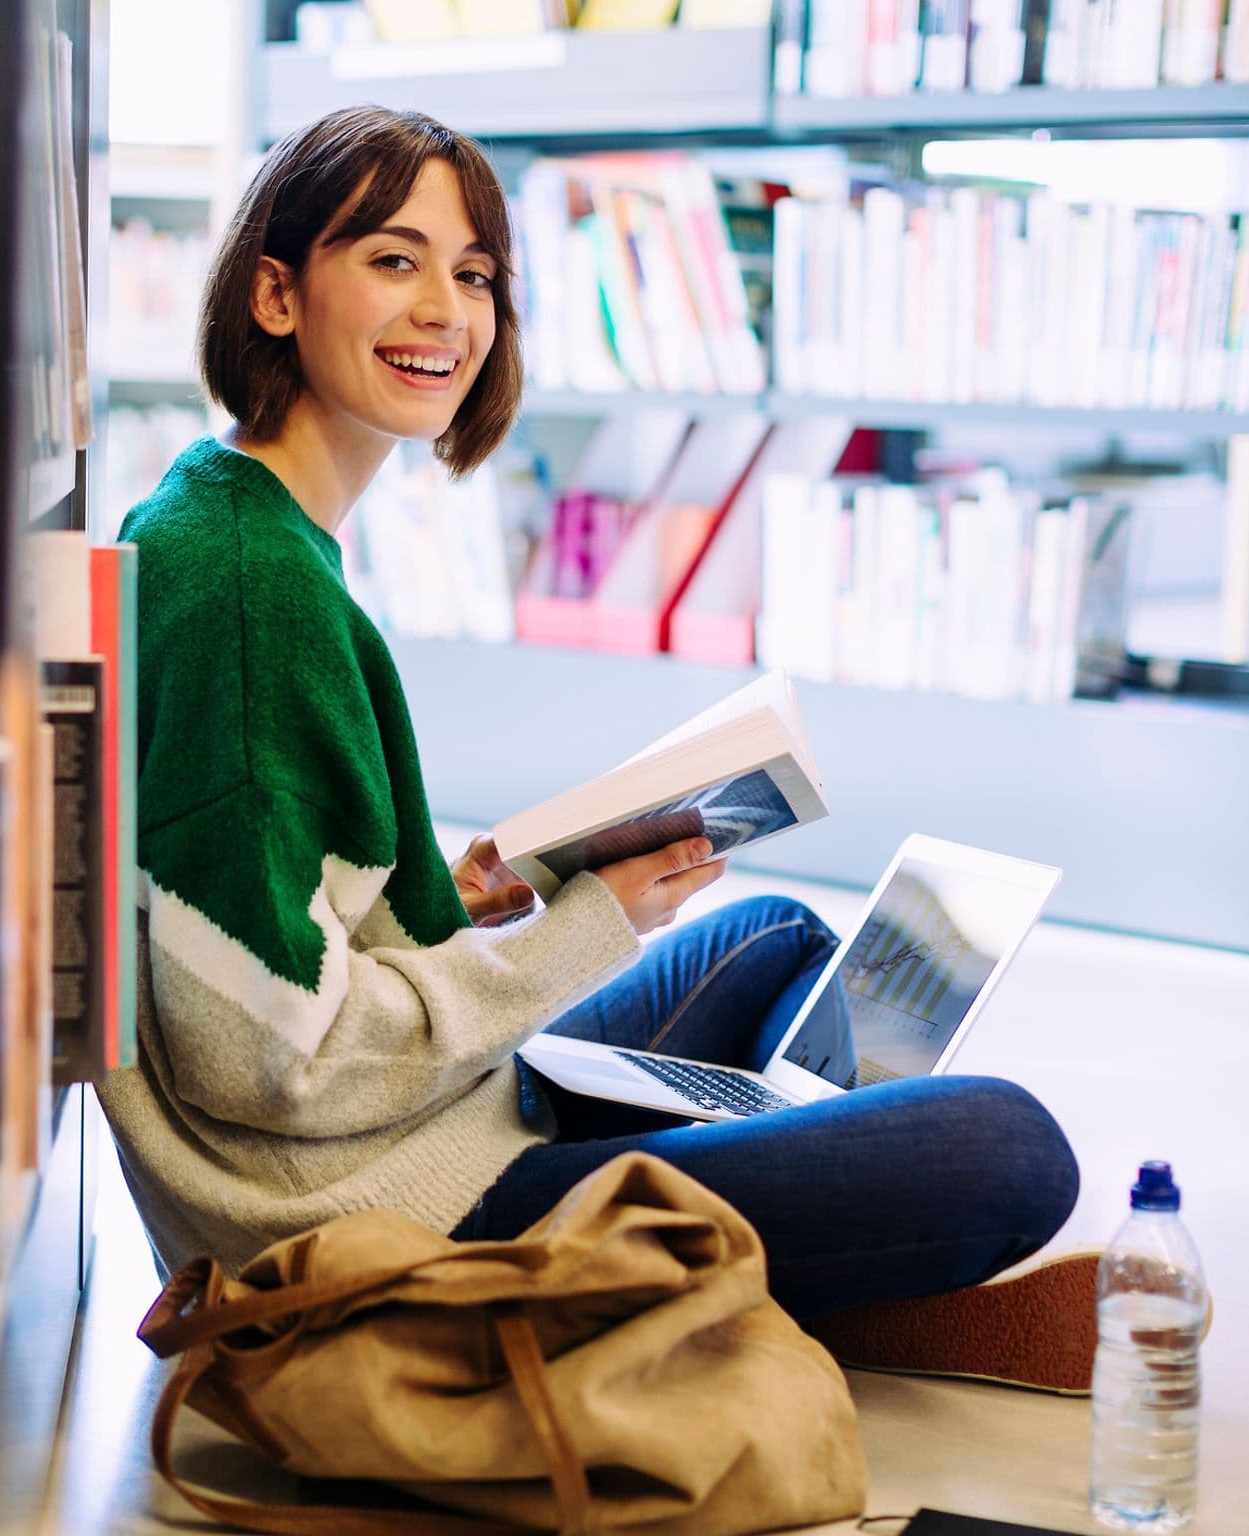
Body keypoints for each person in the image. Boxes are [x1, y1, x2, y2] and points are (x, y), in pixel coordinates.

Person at [93, 105, 1082, 1351]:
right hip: (367, 1224)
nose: (444, 312)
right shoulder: (253, 590)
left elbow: (277, 896)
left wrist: (459, 903)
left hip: (407, 1133)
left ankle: (772, 1236)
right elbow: (266, 1063)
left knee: (772, 934)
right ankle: (800, 1256)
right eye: (393, 260)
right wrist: (582, 927)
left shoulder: (224, 517)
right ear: (275, 293)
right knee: (1005, 1146)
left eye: (473, 275)